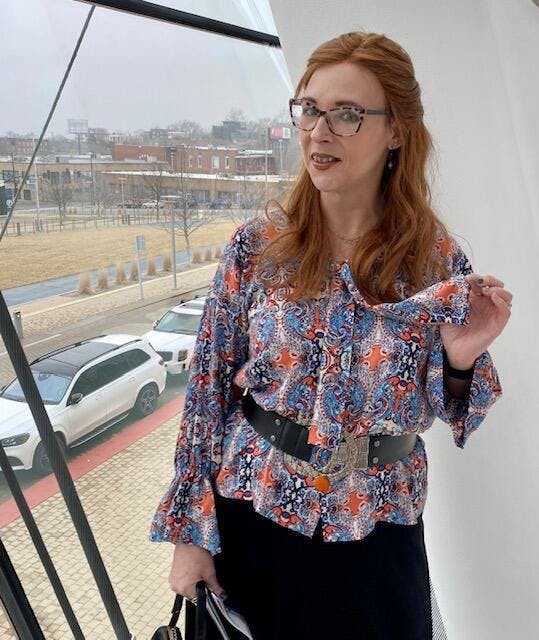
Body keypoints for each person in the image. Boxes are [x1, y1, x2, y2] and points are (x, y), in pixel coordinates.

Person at [150, 30, 511, 640]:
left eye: (346, 114)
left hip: (377, 520)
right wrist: (192, 536)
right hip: (256, 509)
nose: (319, 131)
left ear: (396, 131)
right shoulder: (258, 246)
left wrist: (461, 360)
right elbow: (207, 393)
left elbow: (457, 411)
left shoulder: (434, 260)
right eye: (310, 110)